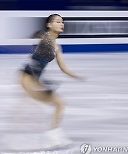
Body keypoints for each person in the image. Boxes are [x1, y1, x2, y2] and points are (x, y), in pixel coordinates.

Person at [20, 14, 84, 149]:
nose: (61, 24)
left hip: (35, 79)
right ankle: (51, 137)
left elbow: (64, 68)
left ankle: (53, 135)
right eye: (57, 22)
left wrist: (77, 76)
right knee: (58, 104)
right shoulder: (45, 38)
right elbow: (37, 37)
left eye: (62, 22)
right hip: (27, 78)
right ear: (49, 25)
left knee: (60, 104)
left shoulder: (57, 47)